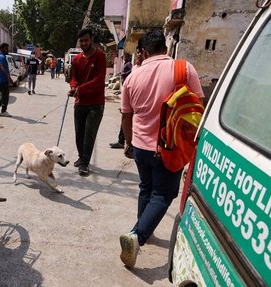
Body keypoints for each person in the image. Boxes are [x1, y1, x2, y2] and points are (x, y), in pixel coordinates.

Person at [119, 31, 203, 268]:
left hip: (140, 145)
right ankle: (138, 236)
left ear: (143, 52)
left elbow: (127, 115)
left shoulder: (131, 78)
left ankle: (142, 226)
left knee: (146, 187)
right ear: (164, 49)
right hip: (170, 145)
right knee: (163, 194)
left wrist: (128, 142)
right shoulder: (184, 69)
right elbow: (198, 107)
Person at [68, 28, 106, 176]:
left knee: (89, 134)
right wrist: (73, 86)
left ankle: (84, 163)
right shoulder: (77, 59)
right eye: (81, 41)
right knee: (79, 133)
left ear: (91, 40)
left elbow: (99, 80)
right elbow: (73, 77)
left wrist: (80, 89)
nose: (84, 43)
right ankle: (81, 157)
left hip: (96, 104)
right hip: (80, 102)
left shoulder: (100, 56)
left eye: (86, 40)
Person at [109, 52, 133, 149]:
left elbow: (125, 75)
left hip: (131, 94)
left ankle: (123, 142)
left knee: (126, 119)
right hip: (127, 92)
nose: (125, 58)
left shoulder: (131, 66)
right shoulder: (129, 65)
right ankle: (122, 140)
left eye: (126, 56)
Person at [0, 43, 14, 117]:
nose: (7, 50)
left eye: (7, 48)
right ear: (1, 49)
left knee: (3, 95)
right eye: (6, 48)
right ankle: (3, 111)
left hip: (0, 80)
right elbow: (2, 68)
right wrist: (9, 78)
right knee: (6, 96)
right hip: (3, 80)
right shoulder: (2, 57)